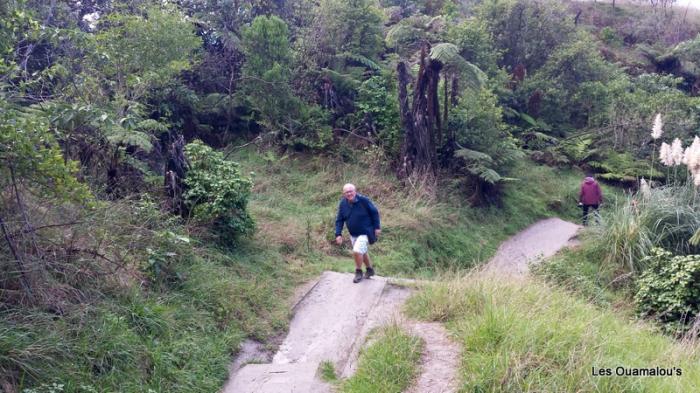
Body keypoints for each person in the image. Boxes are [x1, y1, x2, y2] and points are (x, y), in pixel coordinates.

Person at [335, 183, 381, 283]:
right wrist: (338, 234)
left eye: (351, 191)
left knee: (357, 251)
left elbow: (374, 212)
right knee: (362, 252)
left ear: (355, 191)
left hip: (366, 232)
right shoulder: (343, 204)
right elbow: (339, 220)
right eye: (347, 192)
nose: (349, 193)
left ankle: (358, 271)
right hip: (353, 234)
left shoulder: (364, 201)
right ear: (344, 194)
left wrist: (377, 227)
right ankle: (369, 270)